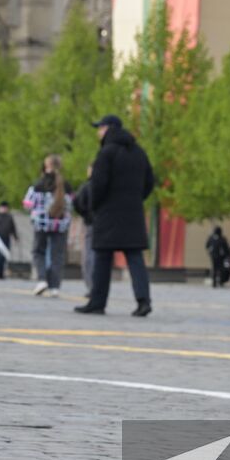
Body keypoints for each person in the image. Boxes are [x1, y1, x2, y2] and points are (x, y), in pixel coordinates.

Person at [75, 115, 155, 316]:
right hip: (133, 213)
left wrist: (95, 207)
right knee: (135, 258)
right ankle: (143, 301)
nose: (98, 132)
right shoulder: (139, 152)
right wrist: (136, 199)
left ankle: (97, 302)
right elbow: (150, 182)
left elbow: (98, 184)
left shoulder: (106, 153)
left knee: (102, 258)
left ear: (109, 129)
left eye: (100, 128)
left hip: (108, 213)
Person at [24, 154, 72, 298]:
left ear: (45, 167)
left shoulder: (39, 184)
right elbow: (71, 204)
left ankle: (42, 279)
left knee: (39, 251)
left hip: (42, 223)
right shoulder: (66, 185)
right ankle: (55, 286)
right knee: (57, 255)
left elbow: (27, 203)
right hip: (60, 224)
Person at [72, 163, 95, 293]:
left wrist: (85, 214)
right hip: (104, 225)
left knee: (89, 255)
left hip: (90, 223)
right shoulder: (108, 186)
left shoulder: (86, 187)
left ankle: (91, 286)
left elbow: (77, 203)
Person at [0, 202, 18, 280]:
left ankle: (1, 273)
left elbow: (13, 228)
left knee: (4, 256)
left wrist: (15, 237)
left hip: (6, 238)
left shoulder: (9, 217)